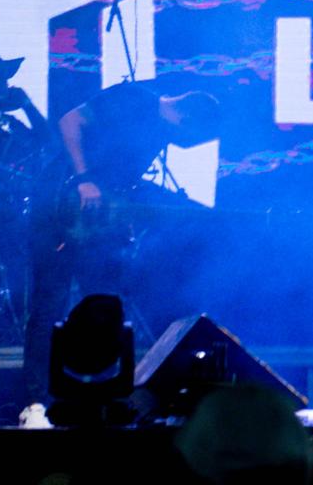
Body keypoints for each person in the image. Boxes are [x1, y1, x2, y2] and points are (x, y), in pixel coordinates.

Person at [20, 80, 220, 413]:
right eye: (192, 137)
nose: (187, 144)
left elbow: (118, 176)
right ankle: (36, 403)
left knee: (103, 306)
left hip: (94, 224)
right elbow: (70, 121)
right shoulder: (133, 99)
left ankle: (97, 396)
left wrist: (120, 211)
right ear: (186, 118)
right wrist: (84, 180)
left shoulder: (157, 131)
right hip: (59, 210)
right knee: (49, 304)